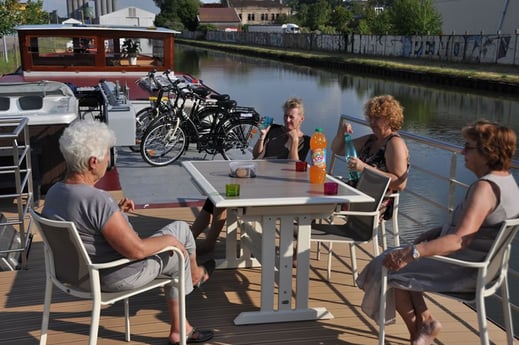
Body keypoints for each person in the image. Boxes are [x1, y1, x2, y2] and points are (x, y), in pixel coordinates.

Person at [42, 120, 214, 345]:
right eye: (107, 155)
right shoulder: (98, 200)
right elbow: (136, 250)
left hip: (75, 276)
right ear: (93, 162)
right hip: (114, 277)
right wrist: (170, 242)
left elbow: (85, 226)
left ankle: (194, 277)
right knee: (179, 238)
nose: (108, 160)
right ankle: (184, 317)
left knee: (178, 242)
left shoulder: (54, 192)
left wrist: (117, 212)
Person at [356, 120, 519, 345]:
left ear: (486, 152)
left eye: (468, 147)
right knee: (400, 258)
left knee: (390, 264)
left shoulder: (485, 189)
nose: (462, 151)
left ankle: (418, 333)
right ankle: (425, 322)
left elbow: (460, 239)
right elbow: (475, 230)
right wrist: (429, 236)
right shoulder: (508, 182)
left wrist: (415, 251)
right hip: (486, 268)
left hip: (464, 271)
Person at [192, 97, 310, 254]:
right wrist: (262, 136)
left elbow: (295, 167)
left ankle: (208, 244)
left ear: (301, 119)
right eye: (285, 116)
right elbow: (256, 155)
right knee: (216, 197)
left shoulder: (305, 141)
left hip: (277, 188)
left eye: (291, 117)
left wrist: (294, 142)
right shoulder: (274, 130)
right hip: (256, 178)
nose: (287, 120)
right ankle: (191, 239)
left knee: (223, 199)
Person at [330, 94, 409, 218]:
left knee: (317, 204)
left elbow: (400, 184)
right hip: (356, 196)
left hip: (373, 205)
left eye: (377, 118)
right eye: (370, 117)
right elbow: (337, 149)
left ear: (390, 119)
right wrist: (341, 133)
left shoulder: (394, 143)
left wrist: (364, 168)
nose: (372, 122)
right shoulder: (372, 139)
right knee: (317, 196)